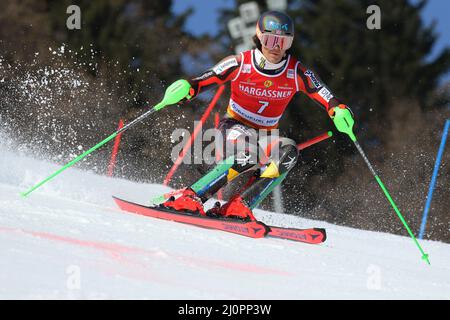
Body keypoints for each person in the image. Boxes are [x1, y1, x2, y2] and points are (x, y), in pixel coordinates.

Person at [161, 11, 354, 221]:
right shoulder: (240, 63)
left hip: (266, 134)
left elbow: (324, 94)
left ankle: (239, 205)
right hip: (234, 126)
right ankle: (192, 195)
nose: (275, 47)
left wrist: (338, 109)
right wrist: (186, 89)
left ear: (290, 42)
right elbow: (204, 79)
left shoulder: (296, 72)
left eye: (283, 41)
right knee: (249, 151)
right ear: (259, 36)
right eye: (270, 39)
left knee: (288, 152)